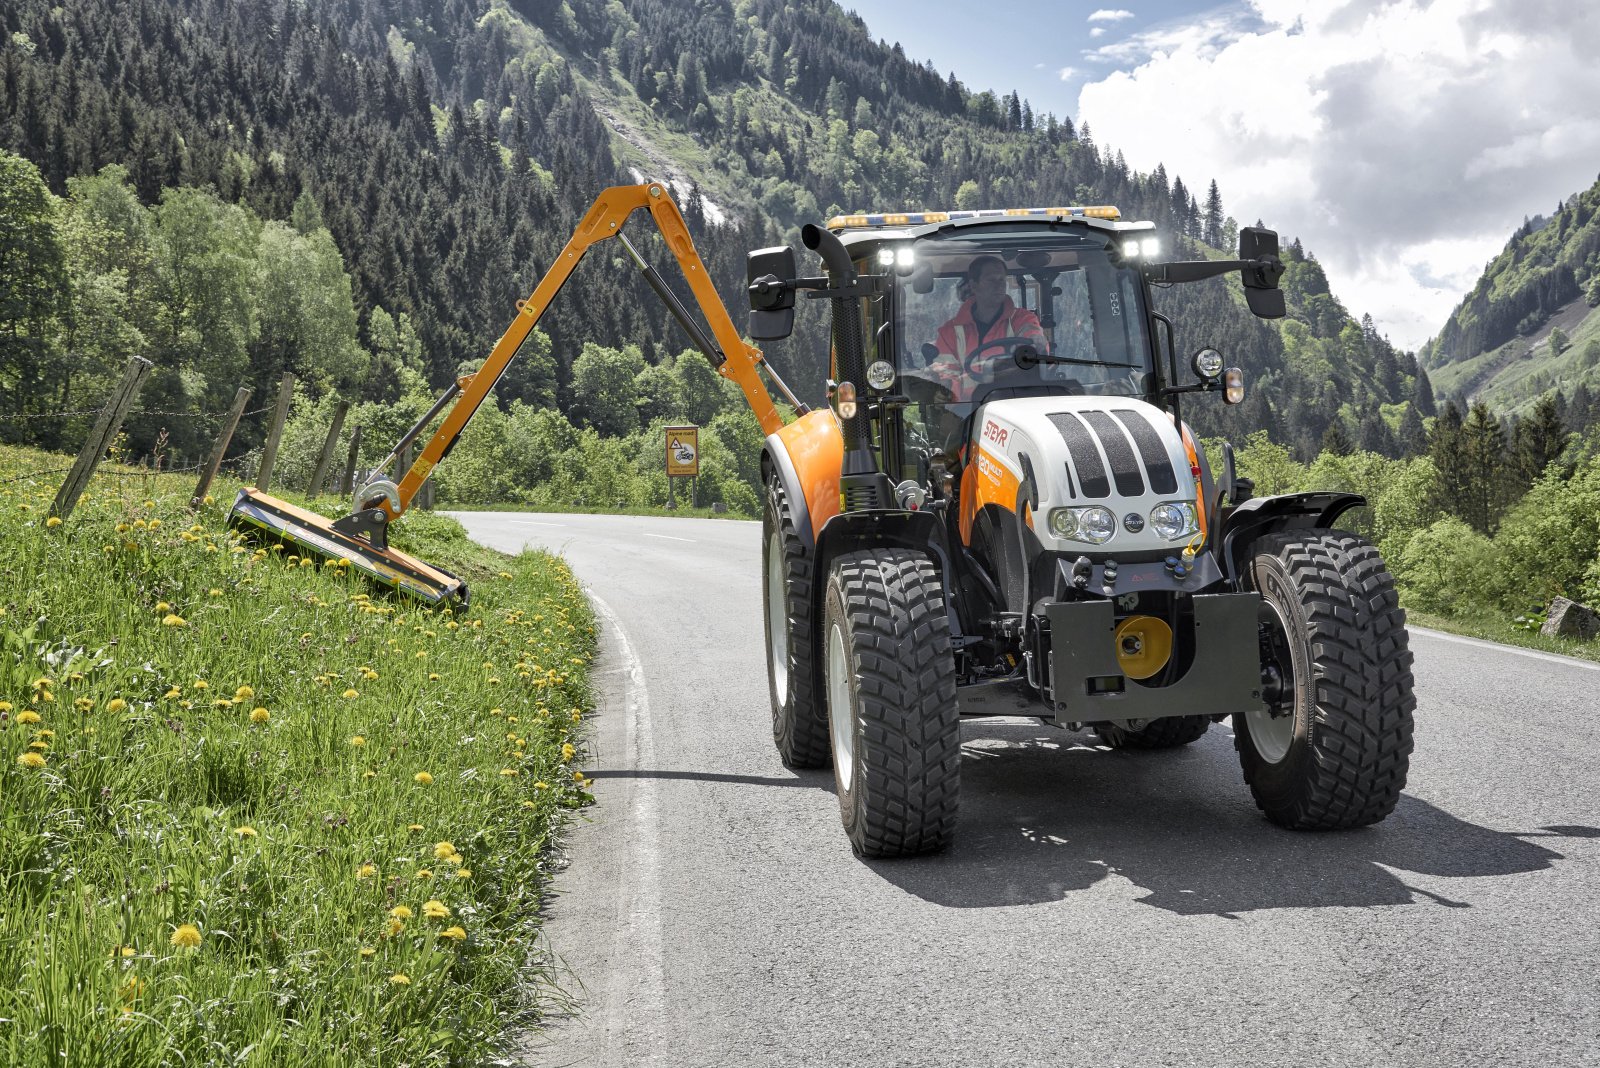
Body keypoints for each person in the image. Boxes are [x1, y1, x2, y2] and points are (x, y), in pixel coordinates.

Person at [928, 255, 1047, 401]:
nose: (999, 285)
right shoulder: (950, 332)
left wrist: (1035, 341)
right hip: (968, 410)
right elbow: (946, 374)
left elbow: (1032, 335)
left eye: (1002, 280)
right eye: (991, 280)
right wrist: (947, 392)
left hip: (1015, 403)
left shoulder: (1022, 319)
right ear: (974, 285)